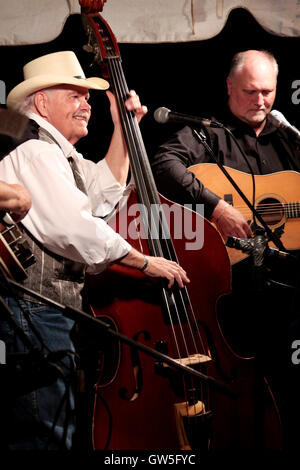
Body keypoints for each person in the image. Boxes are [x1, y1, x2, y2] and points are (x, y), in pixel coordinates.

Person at [0, 50, 189, 451]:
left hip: (52, 309)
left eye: (87, 97)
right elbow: (72, 226)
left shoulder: (58, 153)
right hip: (34, 309)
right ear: (41, 102)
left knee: (56, 428)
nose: (86, 104)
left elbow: (103, 190)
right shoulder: (34, 151)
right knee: (44, 434)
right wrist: (143, 261)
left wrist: (124, 126)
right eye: (74, 95)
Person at [151, 49, 300, 450]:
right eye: (250, 91)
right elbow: (164, 163)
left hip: (287, 292)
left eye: (268, 92)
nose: (261, 101)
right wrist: (216, 207)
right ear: (230, 87)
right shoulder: (207, 134)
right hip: (233, 292)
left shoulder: (290, 143)